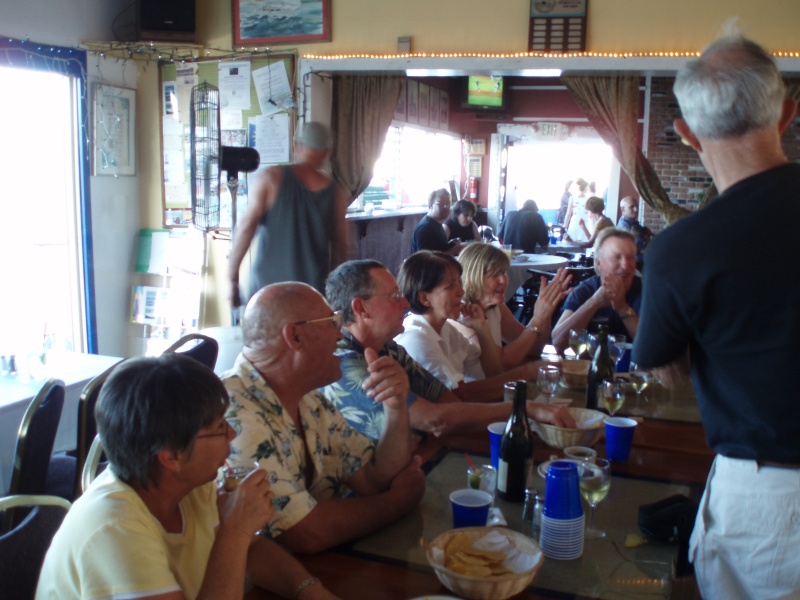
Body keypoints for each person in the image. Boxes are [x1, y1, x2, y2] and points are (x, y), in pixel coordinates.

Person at [632, 33, 800, 600]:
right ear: (787, 114)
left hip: (772, 499)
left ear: (686, 133)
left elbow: (661, 366)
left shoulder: (683, 249)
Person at [36, 354, 338, 600]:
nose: (231, 434)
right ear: (171, 456)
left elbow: (253, 551)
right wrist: (236, 530)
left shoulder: (187, 485)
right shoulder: (112, 527)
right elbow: (238, 543)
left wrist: (311, 591)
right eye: (220, 428)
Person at [222, 282, 424, 555]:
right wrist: (397, 502)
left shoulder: (308, 399)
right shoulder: (232, 413)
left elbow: (373, 478)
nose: (340, 334)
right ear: (295, 336)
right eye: (332, 322)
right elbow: (304, 532)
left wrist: (396, 406)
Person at [322, 259, 576, 440]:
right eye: (394, 296)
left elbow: (449, 400)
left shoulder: (388, 349)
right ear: (361, 308)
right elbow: (436, 419)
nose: (404, 302)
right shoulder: (343, 362)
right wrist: (525, 407)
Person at [396, 251, 570, 402]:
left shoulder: (445, 329)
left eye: (459, 282)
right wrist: (525, 373)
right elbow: (461, 395)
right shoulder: (416, 337)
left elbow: (494, 373)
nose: (461, 291)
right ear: (424, 298)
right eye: (451, 286)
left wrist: (481, 327)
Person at [228, 122, 350, 304]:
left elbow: (246, 227)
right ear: (326, 152)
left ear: (296, 146)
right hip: (312, 295)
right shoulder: (336, 192)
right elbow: (341, 249)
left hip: (267, 294)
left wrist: (232, 280)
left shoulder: (270, 178)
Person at [459, 242, 572, 370]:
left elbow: (535, 347)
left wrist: (546, 311)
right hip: (476, 389)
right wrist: (537, 319)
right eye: (495, 274)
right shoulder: (464, 315)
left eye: (504, 272)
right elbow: (501, 363)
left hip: (496, 387)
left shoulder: (496, 308)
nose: (504, 280)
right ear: (473, 277)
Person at [551, 228, 640, 353]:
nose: (625, 265)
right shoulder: (585, 290)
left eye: (630, 258)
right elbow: (558, 342)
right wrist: (594, 302)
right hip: (588, 369)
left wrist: (622, 308)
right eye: (616, 257)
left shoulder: (648, 291)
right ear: (599, 263)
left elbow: (656, 346)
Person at [410, 188, 465, 255]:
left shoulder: (437, 224)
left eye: (448, 203)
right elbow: (426, 261)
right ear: (431, 205)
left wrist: (450, 244)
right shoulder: (425, 228)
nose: (446, 206)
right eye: (441, 203)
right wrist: (454, 250)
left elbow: (438, 250)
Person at [616, 195, 652, 266]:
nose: (636, 209)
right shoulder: (624, 227)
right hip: (635, 265)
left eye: (636, 206)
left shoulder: (631, 222)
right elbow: (640, 249)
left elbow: (646, 233)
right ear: (623, 209)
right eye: (631, 207)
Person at [563, 177, 591, 242]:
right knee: (584, 241)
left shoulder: (572, 198)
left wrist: (565, 225)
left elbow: (568, 213)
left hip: (575, 222)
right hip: (584, 222)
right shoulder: (588, 199)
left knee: (571, 241)